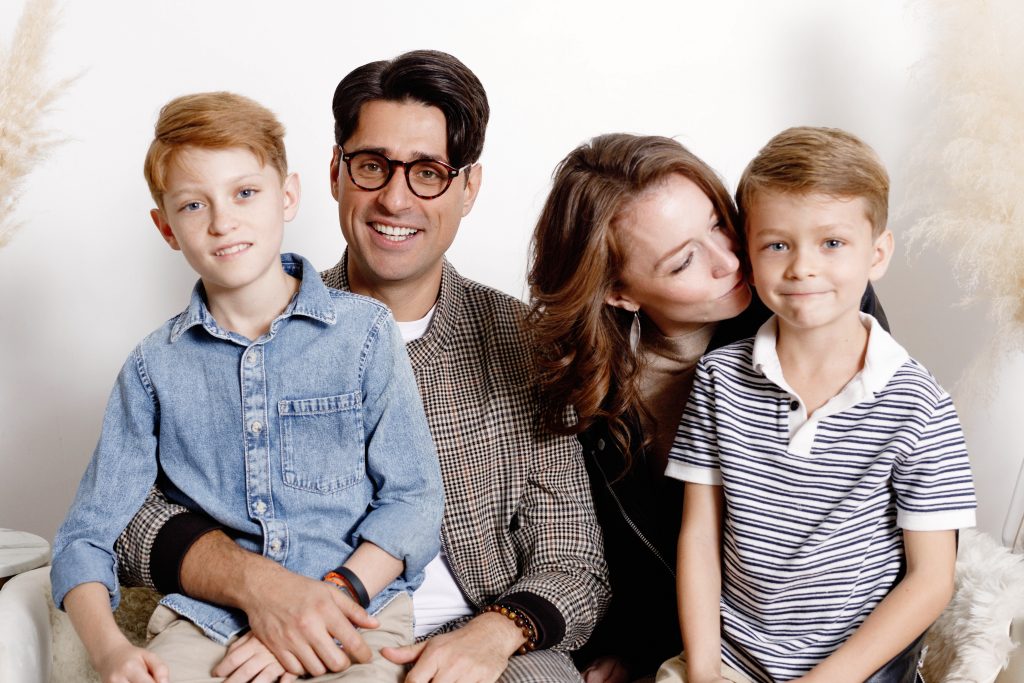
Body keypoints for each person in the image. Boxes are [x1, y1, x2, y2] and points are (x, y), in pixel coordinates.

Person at [113, 51, 609, 683]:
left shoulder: (525, 342)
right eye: (372, 166)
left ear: (469, 188)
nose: (395, 200)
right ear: (334, 174)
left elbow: (575, 558)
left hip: (489, 642)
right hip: (286, 636)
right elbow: (127, 518)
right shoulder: (242, 332)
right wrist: (266, 592)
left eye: (428, 173)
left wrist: (493, 634)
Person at [50, 91, 444, 683]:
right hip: (208, 628)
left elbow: (413, 502)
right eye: (193, 204)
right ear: (165, 227)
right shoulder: (153, 368)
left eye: (245, 193)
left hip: (354, 615)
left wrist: (323, 603)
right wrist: (110, 651)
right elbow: (84, 538)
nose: (222, 222)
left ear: (288, 196)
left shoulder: (363, 334)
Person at [526, 133, 887, 682]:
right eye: (684, 262)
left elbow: (877, 509)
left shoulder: (813, 302)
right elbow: (612, 553)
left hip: (835, 649)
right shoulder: (584, 396)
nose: (729, 260)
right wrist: (640, 649)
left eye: (719, 224)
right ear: (619, 292)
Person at [663, 127, 977, 682]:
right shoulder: (718, 379)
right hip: (729, 661)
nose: (802, 267)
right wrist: (704, 669)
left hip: (856, 671)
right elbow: (700, 537)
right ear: (749, 256)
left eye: (831, 243)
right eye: (777, 245)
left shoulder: (920, 405)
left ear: (877, 254)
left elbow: (931, 579)